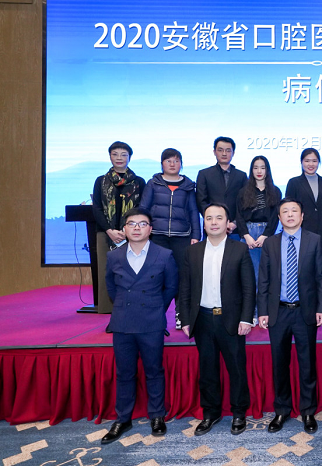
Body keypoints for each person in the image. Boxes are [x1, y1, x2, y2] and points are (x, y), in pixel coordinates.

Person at [101, 208, 178, 444]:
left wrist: (155, 307)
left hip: (151, 321)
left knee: (154, 370)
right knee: (124, 372)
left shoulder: (164, 255)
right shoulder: (114, 256)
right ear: (124, 229)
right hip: (122, 322)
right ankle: (123, 418)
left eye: (142, 224)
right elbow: (111, 287)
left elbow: (171, 287)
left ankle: (157, 415)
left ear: (150, 229)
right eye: (131, 223)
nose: (136, 228)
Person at [179, 203, 256, 436]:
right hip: (202, 319)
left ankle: (239, 412)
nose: (213, 222)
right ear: (203, 223)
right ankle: (210, 413)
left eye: (219, 218)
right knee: (207, 370)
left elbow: (248, 288)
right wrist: (185, 319)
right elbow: (185, 288)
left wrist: (246, 318)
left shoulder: (239, 249)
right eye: (209, 218)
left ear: (228, 223)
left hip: (230, 319)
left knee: (237, 369)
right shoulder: (192, 251)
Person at [257, 198, 322, 434]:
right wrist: (263, 311)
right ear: (279, 217)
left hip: (304, 311)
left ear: (302, 215)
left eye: (294, 211)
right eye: (285, 212)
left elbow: (321, 277)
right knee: (280, 364)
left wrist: (321, 308)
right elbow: (264, 280)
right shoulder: (270, 243)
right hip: (278, 312)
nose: (289, 215)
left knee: (307, 364)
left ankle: (308, 411)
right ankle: (282, 410)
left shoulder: (314, 240)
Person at [140, 148, 201, 329]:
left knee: (183, 277)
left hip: (182, 237)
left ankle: (181, 315)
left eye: (176, 161)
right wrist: (143, 231)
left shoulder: (188, 186)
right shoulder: (153, 183)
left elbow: (193, 211)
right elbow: (143, 208)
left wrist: (196, 235)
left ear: (181, 164)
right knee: (157, 277)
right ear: (162, 164)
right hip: (157, 237)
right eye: (168, 161)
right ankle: (155, 316)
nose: (173, 164)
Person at [92, 141, 146, 315]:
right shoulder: (101, 181)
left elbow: (141, 208)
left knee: (131, 271)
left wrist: (126, 231)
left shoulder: (139, 182)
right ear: (110, 157)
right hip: (105, 233)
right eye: (115, 154)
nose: (119, 158)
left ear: (130, 157)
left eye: (124, 154)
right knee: (106, 271)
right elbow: (97, 208)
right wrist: (109, 230)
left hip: (132, 234)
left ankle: (132, 307)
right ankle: (108, 310)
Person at [236, 156, 282, 315]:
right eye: (256, 167)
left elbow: (276, 217)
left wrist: (265, 235)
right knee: (251, 276)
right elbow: (239, 215)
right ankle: (253, 313)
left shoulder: (275, 191)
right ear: (251, 170)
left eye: (262, 167)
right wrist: (246, 235)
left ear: (267, 170)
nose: (259, 171)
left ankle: (267, 311)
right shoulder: (243, 191)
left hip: (267, 235)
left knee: (268, 274)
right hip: (248, 234)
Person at [195, 136, 247, 238]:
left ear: (233, 153)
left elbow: (245, 202)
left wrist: (235, 223)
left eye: (228, 150)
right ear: (214, 152)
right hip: (212, 228)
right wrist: (214, 220)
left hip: (235, 230)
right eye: (220, 150)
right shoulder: (204, 174)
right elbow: (201, 201)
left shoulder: (241, 176)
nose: (224, 153)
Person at [284, 148, 322, 256]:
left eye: (314, 161)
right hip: (302, 231)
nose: (311, 164)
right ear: (301, 162)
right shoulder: (294, 182)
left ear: (319, 162)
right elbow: (289, 207)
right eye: (307, 161)